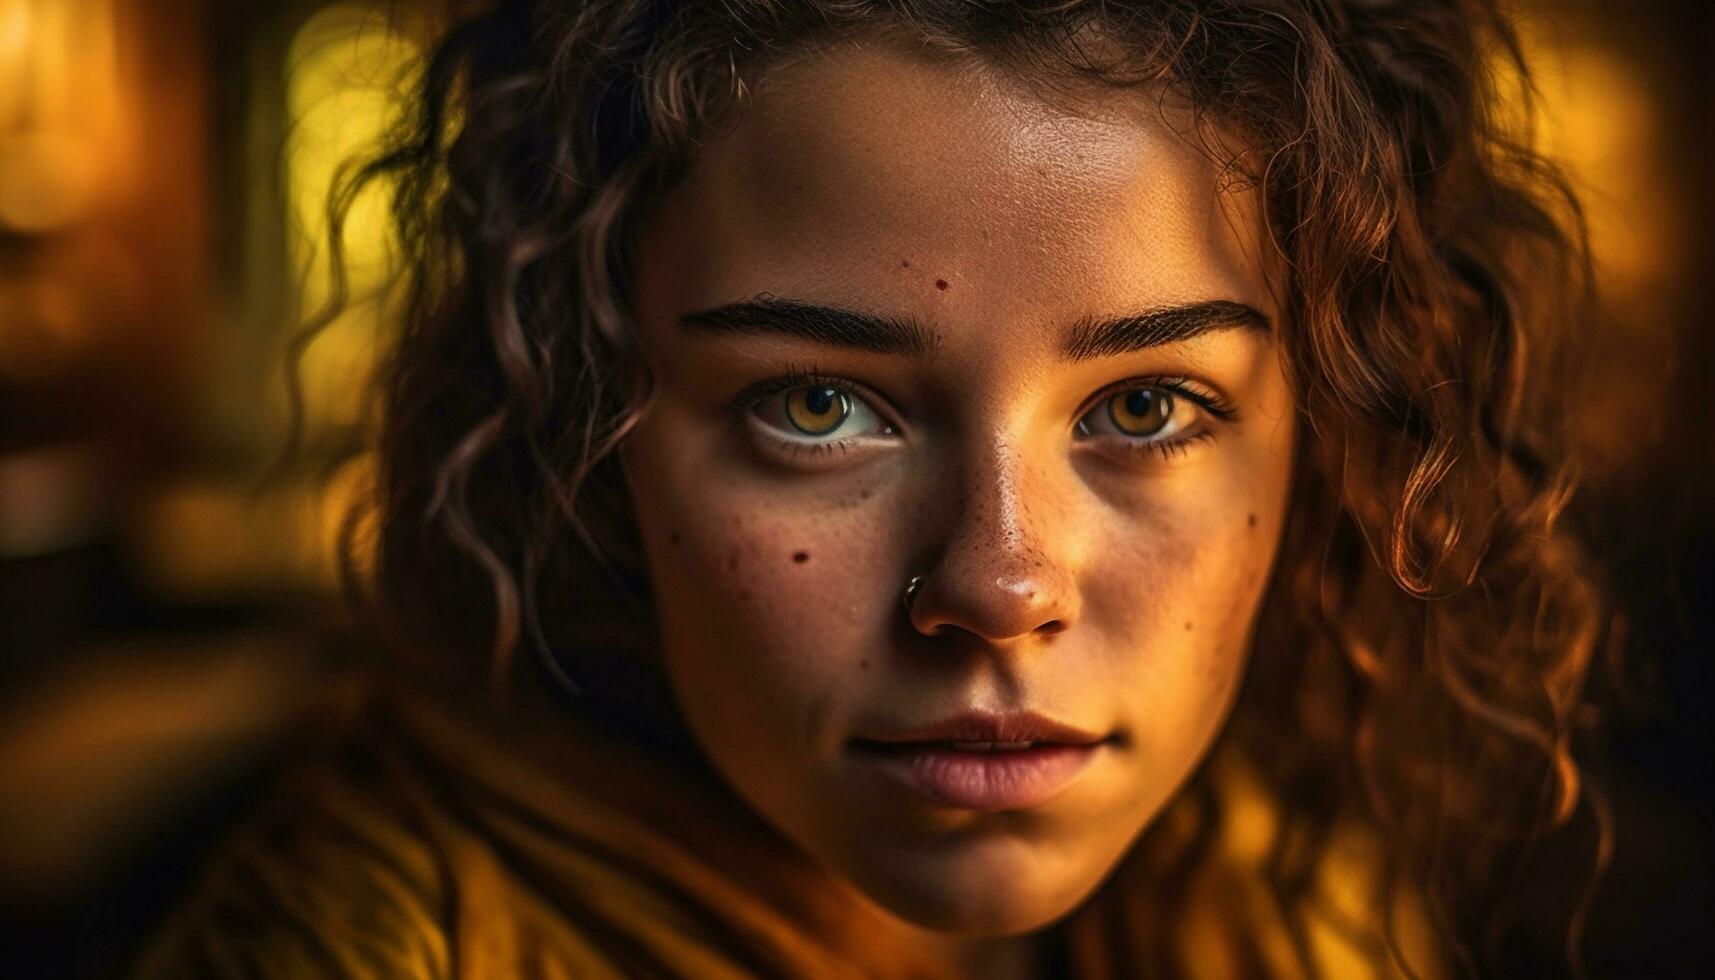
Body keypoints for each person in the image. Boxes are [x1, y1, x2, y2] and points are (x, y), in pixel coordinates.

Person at [132, 1, 1609, 977]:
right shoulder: (357, 944)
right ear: (587, 427)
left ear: (1325, 438)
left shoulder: (1291, 903)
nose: (999, 586)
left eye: (1146, 406)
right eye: (818, 406)